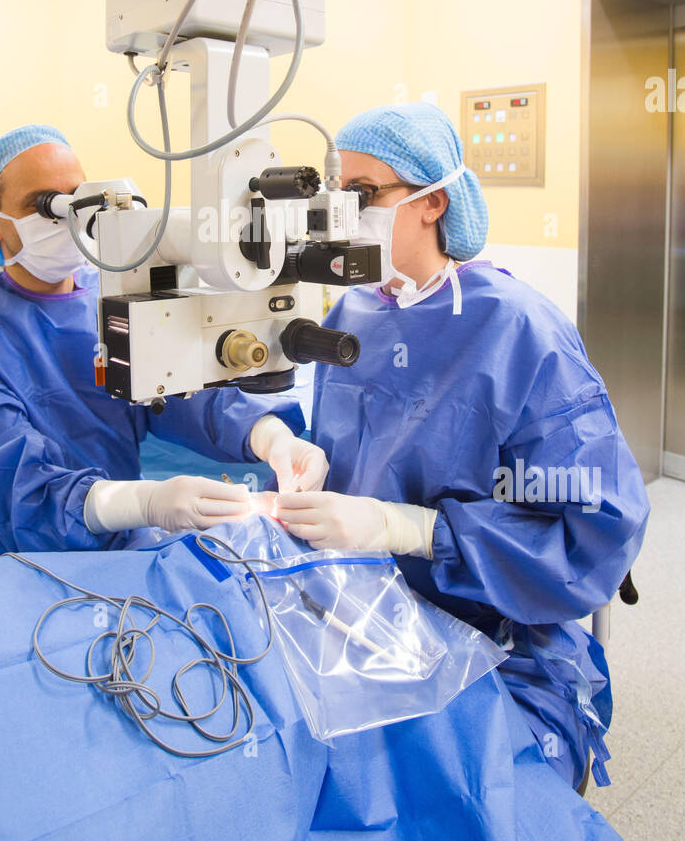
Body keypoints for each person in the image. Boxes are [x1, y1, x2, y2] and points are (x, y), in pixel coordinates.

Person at [273, 102, 649, 790]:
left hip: (493, 632)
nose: (341, 212)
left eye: (361, 194)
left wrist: (412, 528)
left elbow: (599, 526)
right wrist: (303, 457)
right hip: (360, 607)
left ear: (430, 201)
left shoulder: (516, 328)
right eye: (336, 192)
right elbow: (347, 445)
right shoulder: (353, 312)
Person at [0, 125, 325, 569]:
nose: (67, 216)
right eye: (43, 205)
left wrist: (270, 437)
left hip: (119, 545)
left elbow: (175, 389)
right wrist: (142, 503)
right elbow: (6, 492)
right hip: (17, 563)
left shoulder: (113, 299)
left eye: (76, 197)